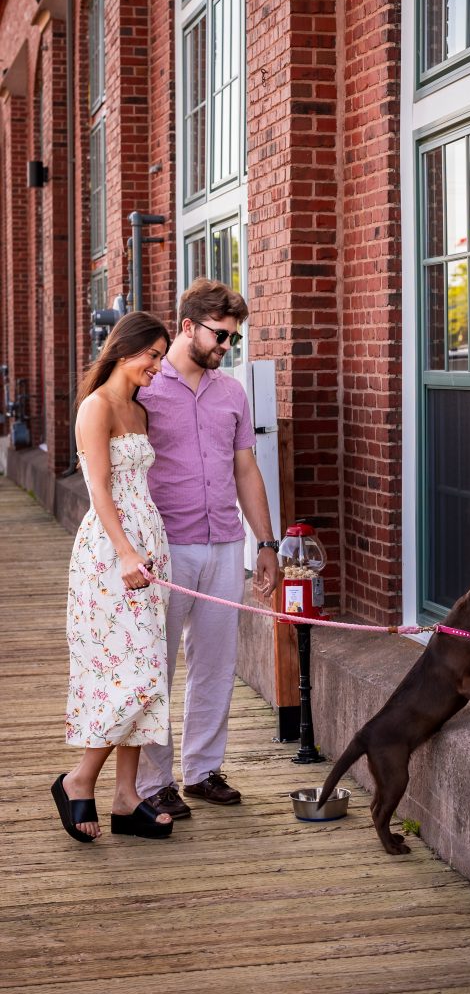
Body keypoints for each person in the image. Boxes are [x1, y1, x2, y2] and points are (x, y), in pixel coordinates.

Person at [136, 277, 279, 819]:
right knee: (156, 664)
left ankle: (202, 771)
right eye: (220, 336)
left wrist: (264, 542)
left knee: (215, 663)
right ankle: (153, 783)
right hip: (164, 549)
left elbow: (246, 467)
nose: (226, 348)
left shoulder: (231, 392)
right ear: (188, 326)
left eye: (233, 340)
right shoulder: (145, 386)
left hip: (224, 543)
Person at [52, 313, 175, 842]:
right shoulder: (96, 408)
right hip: (110, 556)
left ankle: (126, 798)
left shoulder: (139, 410)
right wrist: (126, 553)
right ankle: (79, 779)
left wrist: (146, 551)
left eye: (162, 358)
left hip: (148, 553)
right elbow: (99, 489)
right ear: (125, 350)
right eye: (152, 355)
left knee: (147, 676)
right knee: (136, 674)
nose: (157, 366)